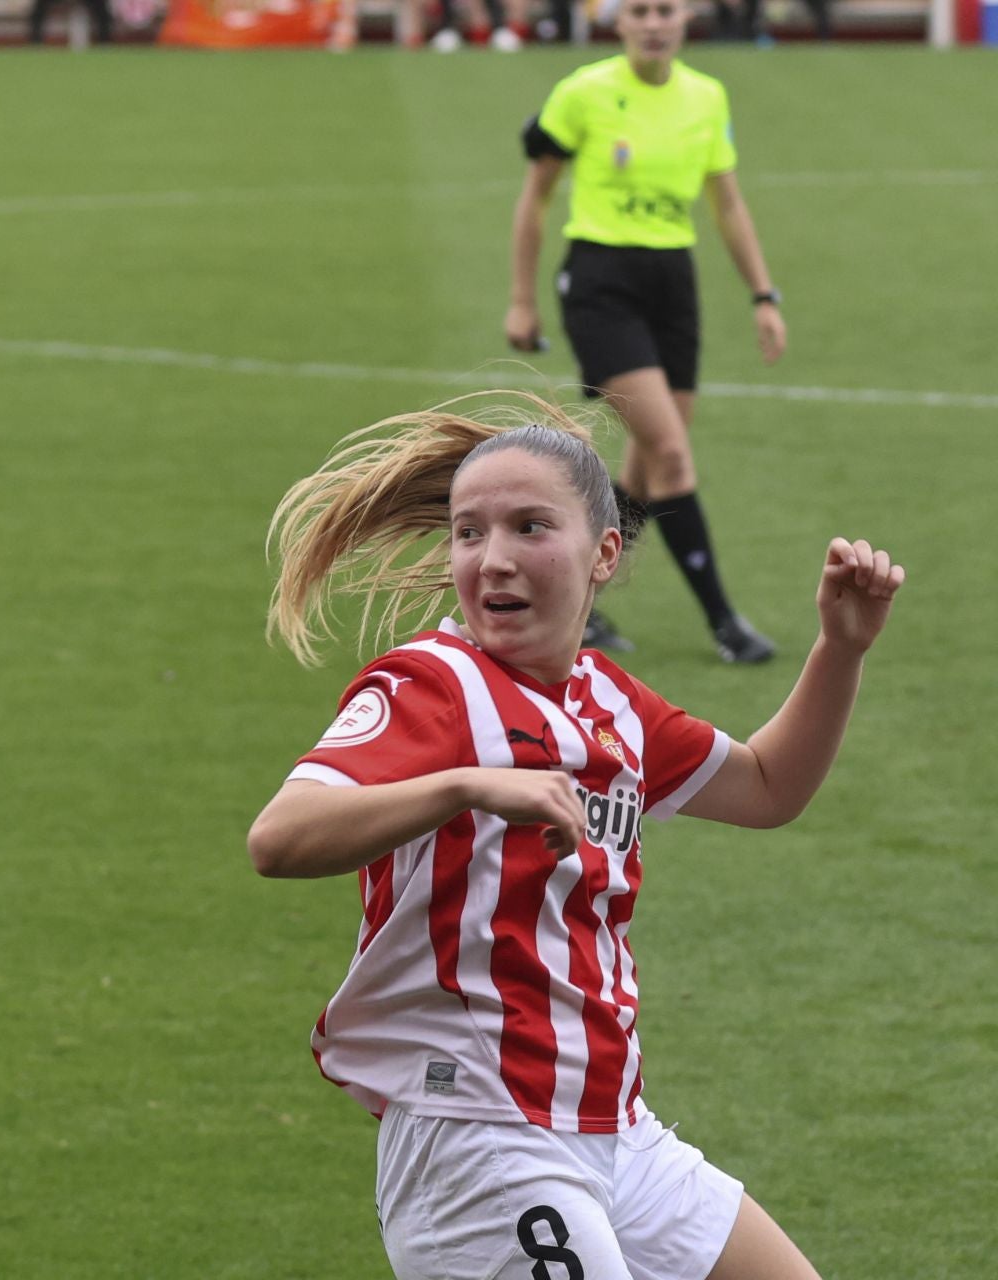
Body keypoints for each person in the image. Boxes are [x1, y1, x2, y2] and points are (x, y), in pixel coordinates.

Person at [249, 395, 903, 1280]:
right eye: (469, 533)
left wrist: (841, 649)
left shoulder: (609, 703)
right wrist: (464, 785)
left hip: (616, 1131)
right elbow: (279, 838)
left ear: (603, 554)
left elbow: (767, 786)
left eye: (529, 527)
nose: (493, 560)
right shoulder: (434, 685)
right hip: (480, 1139)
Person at [505, 0, 787, 662]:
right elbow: (535, 198)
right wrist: (522, 300)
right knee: (671, 454)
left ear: (686, 17)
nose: (654, 22)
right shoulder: (583, 93)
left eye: (665, 9)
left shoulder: (707, 97)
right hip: (601, 282)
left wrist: (763, 295)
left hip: (672, 285)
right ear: (618, 21)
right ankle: (725, 623)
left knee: (648, 458)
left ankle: (578, 606)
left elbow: (728, 202)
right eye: (639, 10)